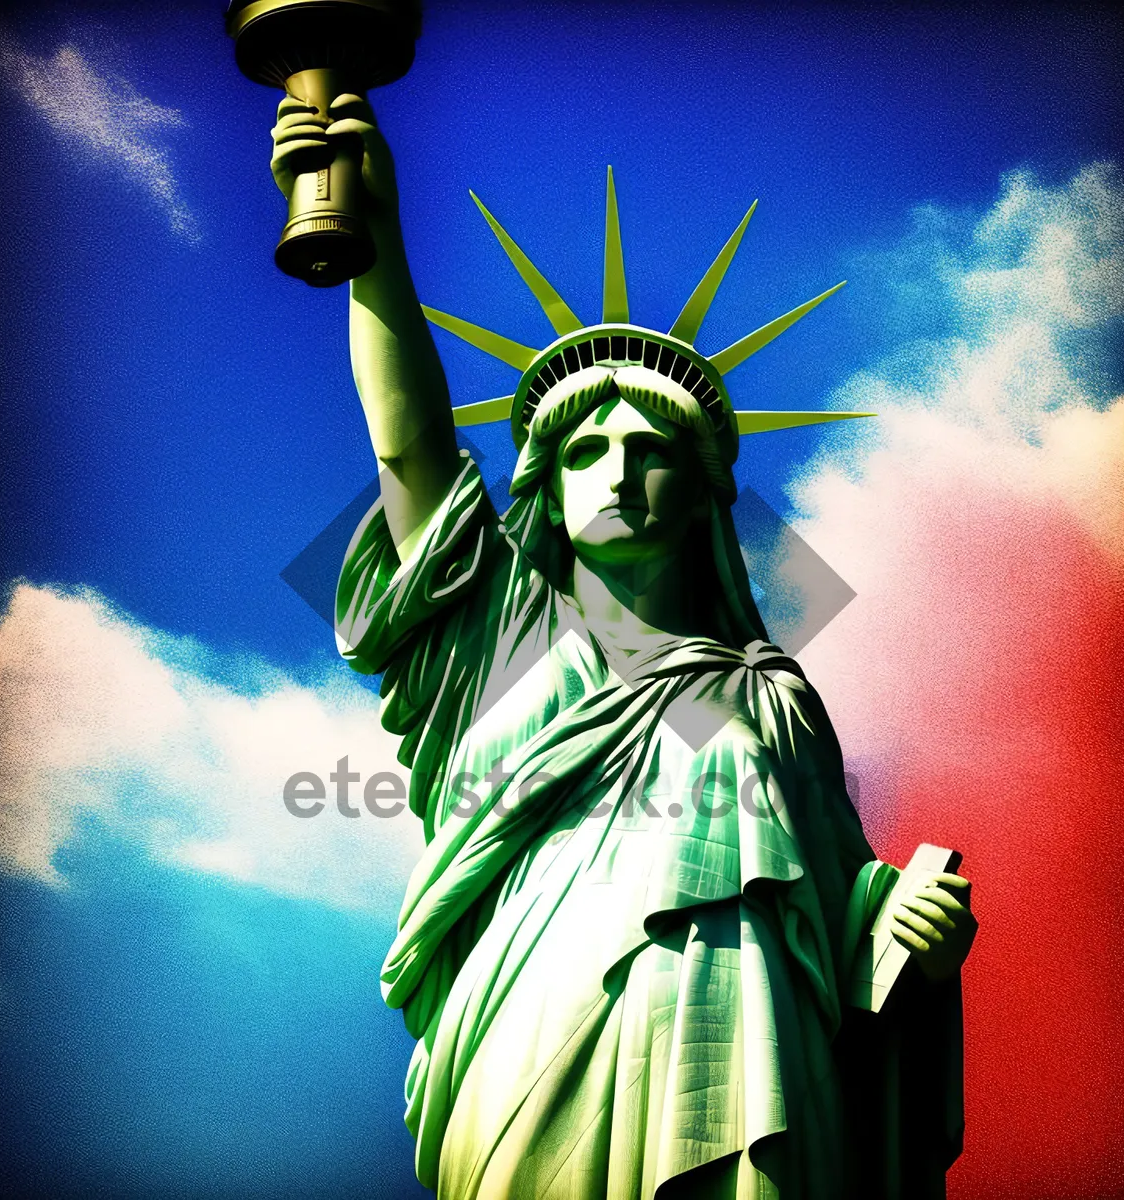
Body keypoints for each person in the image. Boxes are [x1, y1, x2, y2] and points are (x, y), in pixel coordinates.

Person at [271, 92, 977, 1200]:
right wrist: (375, 250)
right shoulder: (505, 643)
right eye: (586, 448)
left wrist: (906, 941)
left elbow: (837, 915)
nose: (618, 470)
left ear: (703, 498)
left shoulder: (766, 699)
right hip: (530, 1044)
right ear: (544, 491)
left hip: (754, 1066)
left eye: (653, 449)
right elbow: (410, 453)